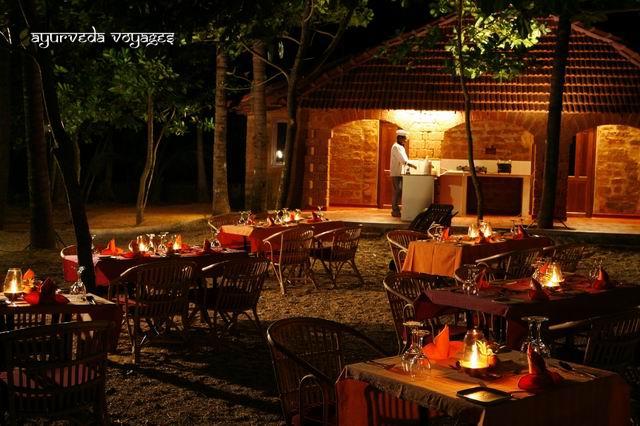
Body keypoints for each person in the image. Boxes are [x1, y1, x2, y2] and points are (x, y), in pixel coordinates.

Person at [390, 129, 416, 217]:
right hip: (396, 172)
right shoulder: (396, 147)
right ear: (400, 138)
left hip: (401, 173)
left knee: (400, 191)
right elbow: (402, 160)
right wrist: (411, 165)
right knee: (397, 190)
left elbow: (405, 160)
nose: (405, 140)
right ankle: (395, 210)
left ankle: (397, 209)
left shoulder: (401, 147)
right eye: (404, 138)